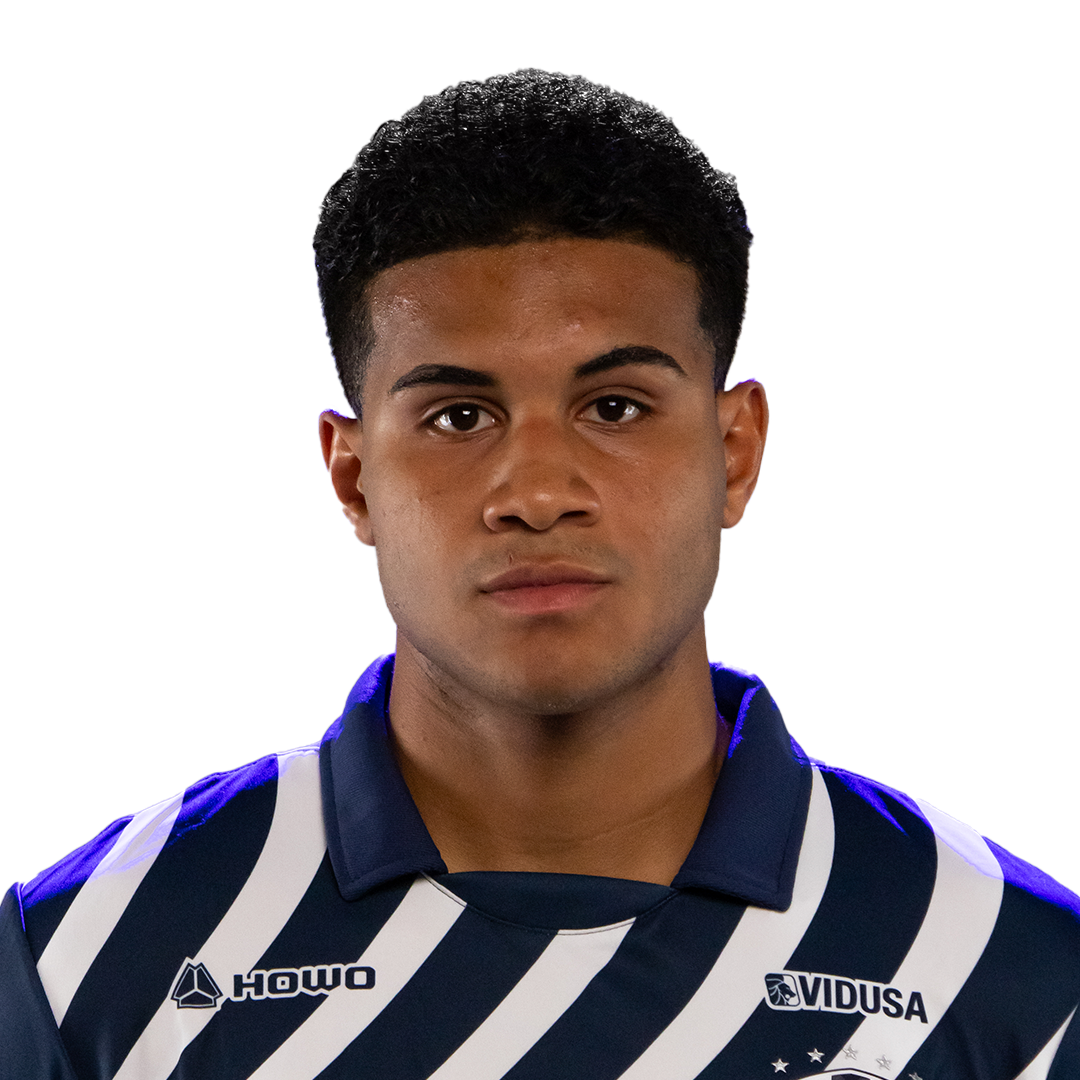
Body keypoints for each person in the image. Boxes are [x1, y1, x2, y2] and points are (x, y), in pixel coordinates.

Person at [2, 70, 1077, 1080]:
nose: (538, 492)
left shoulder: (1011, 977)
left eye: (615, 407)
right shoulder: (82, 963)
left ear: (736, 451)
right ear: (354, 476)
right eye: (458, 416)